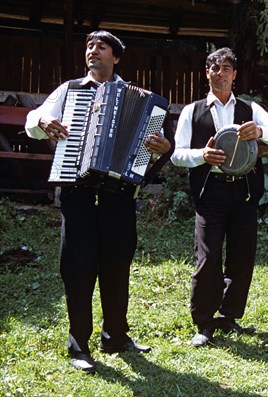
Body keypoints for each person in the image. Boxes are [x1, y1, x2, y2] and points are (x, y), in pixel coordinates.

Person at [25, 30, 173, 373]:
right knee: (77, 269)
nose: (93, 51)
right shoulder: (69, 91)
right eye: (90, 46)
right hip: (77, 195)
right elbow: (35, 121)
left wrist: (163, 149)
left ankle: (116, 337)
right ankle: (79, 345)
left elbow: (154, 147)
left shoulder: (142, 100)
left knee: (117, 266)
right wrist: (44, 120)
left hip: (117, 197)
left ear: (116, 57)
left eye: (102, 47)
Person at [171, 47, 268, 347]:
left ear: (234, 75)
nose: (219, 72)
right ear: (206, 73)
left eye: (225, 68)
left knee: (242, 254)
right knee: (207, 257)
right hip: (211, 192)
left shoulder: (251, 110)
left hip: (245, 190)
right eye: (214, 67)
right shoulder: (192, 111)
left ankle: (230, 315)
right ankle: (204, 323)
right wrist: (202, 155)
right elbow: (177, 154)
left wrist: (260, 131)